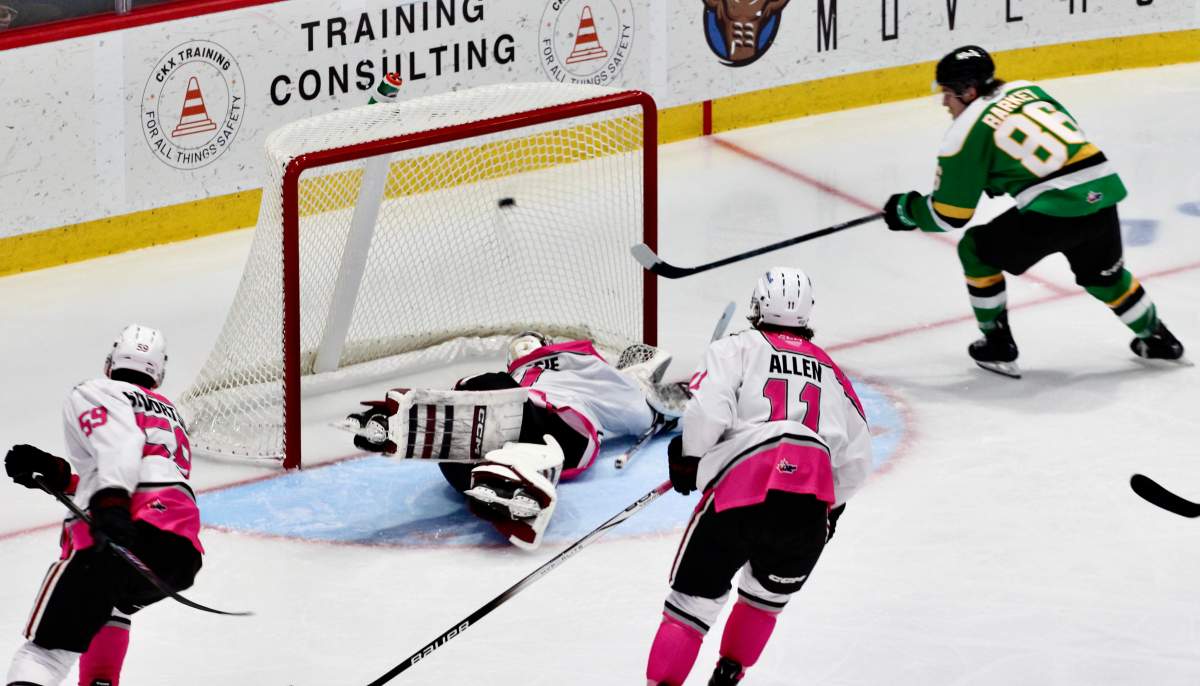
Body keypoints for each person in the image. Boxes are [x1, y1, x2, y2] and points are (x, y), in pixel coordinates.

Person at [883, 45, 1185, 378]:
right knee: (1106, 276)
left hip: (1054, 210)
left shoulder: (963, 133)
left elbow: (948, 215)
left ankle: (998, 345)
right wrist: (1001, 176)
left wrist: (907, 210)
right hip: (1102, 192)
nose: (944, 103)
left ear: (968, 92)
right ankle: (1158, 338)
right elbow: (1064, 141)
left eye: (948, 94)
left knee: (976, 250)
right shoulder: (1027, 90)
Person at [644, 268, 872, 685]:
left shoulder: (738, 348)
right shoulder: (832, 371)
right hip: (808, 507)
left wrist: (690, 460)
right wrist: (830, 510)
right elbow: (856, 458)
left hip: (742, 491)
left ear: (756, 304)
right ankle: (728, 674)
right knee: (765, 599)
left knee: (690, 606)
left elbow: (709, 410)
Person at [348, 334, 689, 549]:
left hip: (523, 421)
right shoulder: (592, 366)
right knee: (514, 428)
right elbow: (642, 413)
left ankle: (404, 422)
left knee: (482, 389)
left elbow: (639, 404)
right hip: (562, 440)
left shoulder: (568, 365)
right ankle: (508, 483)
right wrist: (666, 413)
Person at [4, 324, 203, 686]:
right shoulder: (171, 414)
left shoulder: (94, 391)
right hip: (179, 554)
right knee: (108, 603)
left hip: (123, 535)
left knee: (46, 652)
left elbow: (120, 447)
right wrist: (58, 473)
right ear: (157, 373)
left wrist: (110, 504)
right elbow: (144, 474)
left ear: (111, 361)